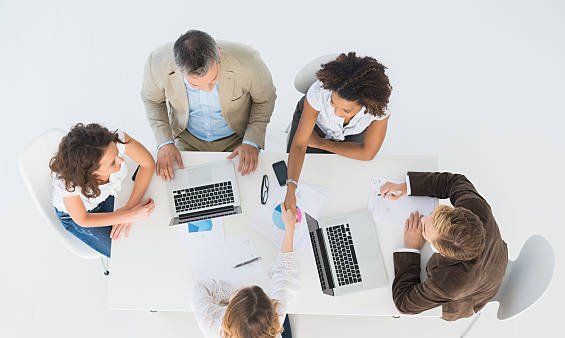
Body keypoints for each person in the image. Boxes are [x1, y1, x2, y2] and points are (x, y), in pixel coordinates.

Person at [141, 29, 276, 181]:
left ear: (218, 53)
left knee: (248, 189)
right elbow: (152, 100)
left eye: (213, 80)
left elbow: (265, 99)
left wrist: (252, 141)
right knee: (180, 188)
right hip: (187, 138)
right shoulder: (156, 63)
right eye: (195, 85)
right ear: (179, 70)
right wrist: (165, 143)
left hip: (238, 137)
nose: (207, 89)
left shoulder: (249, 61)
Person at [380, 172, 508, 321]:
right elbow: (455, 181)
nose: (423, 219)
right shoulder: (476, 208)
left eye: (425, 228)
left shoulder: (450, 283)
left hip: (469, 297)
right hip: (495, 259)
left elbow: (403, 304)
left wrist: (412, 249)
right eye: (433, 214)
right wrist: (407, 187)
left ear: (442, 251)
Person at [192, 204, 298, 338]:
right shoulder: (276, 317)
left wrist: (230, 296)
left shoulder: (209, 322)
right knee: (284, 298)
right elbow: (286, 274)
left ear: (228, 312)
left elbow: (200, 287)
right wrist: (290, 229)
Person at [284, 52, 392, 212]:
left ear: (366, 106)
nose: (336, 112)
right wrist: (291, 188)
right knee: (305, 171)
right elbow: (300, 144)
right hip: (316, 125)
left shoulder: (378, 109)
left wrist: (320, 143)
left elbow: (367, 153)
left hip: (350, 132)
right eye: (333, 103)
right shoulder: (319, 93)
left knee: (340, 175)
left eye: (346, 110)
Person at [49, 123, 155, 258]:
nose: (121, 160)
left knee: (149, 230)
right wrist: (130, 215)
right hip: (81, 215)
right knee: (125, 255)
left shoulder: (114, 139)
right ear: (90, 172)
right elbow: (83, 219)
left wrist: (130, 207)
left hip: (106, 197)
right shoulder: (68, 183)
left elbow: (147, 164)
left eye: (117, 153)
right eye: (112, 162)